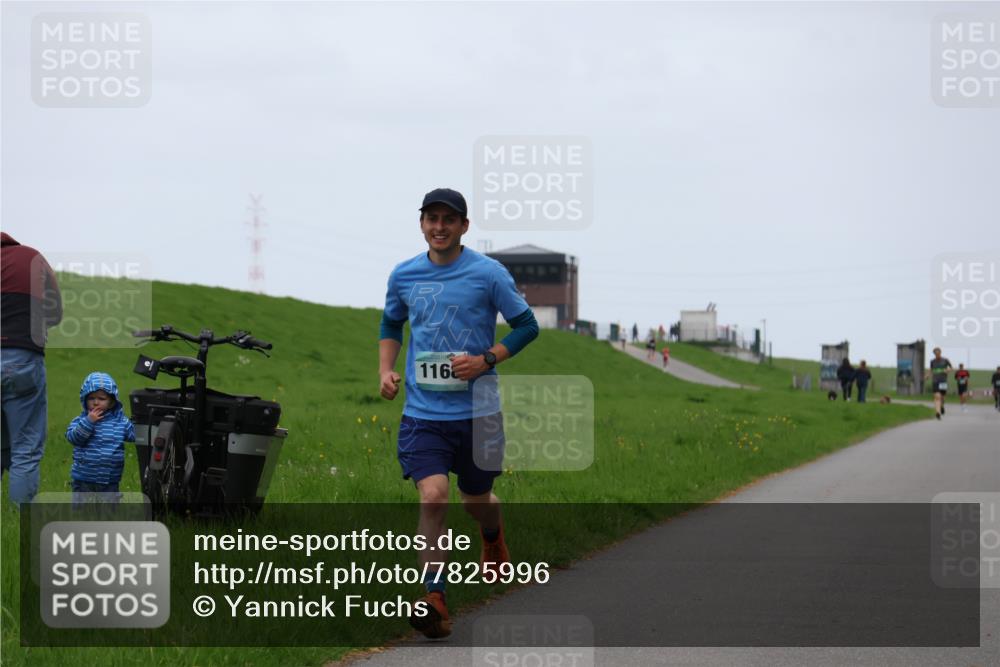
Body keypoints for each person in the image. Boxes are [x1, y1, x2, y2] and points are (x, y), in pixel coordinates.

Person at [379, 188, 539, 639]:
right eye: (432, 218)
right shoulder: (404, 274)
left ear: (464, 226)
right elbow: (392, 322)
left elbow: (528, 326)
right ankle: (435, 598)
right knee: (432, 496)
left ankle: (493, 538)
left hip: (478, 413)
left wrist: (487, 359)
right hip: (423, 413)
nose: (440, 226)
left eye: (450, 219)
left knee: (475, 501)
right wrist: (386, 370)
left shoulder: (488, 274)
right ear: (422, 224)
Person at [1, 232, 62, 504]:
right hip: (22, 360)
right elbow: (56, 312)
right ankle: (20, 522)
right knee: (25, 449)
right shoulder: (32, 258)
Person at [65, 372, 134, 504]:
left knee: (108, 513)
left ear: (112, 401)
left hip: (110, 478)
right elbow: (73, 438)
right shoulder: (80, 420)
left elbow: (134, 435)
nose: (96, 402)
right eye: (91, 398)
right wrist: (88, 422)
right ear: (84, 399)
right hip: (84, 477)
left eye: (101, 399)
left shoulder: (120, 422)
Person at [925, 347, 953, 420]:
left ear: (940, 353)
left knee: (942, 397)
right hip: (935, 381)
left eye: (938, 353)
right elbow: (931, 370)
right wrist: (927, 375)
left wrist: (947, 370)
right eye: (935, 353)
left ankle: (942, 406)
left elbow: (951, 368)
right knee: (937, 397)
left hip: (943, 381)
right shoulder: (932, 361)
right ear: (934, 354)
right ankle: (938, 412)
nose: (937, 354)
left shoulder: (945, 360)